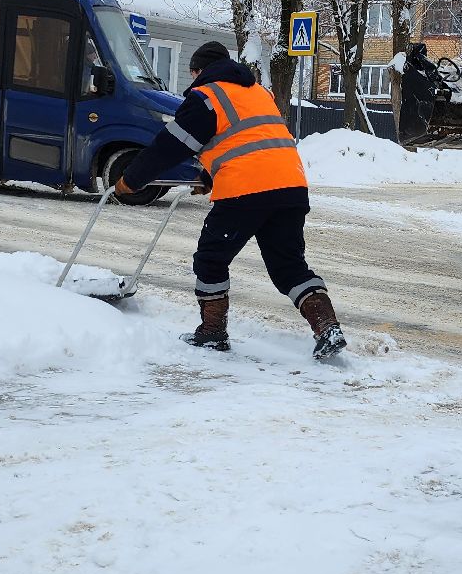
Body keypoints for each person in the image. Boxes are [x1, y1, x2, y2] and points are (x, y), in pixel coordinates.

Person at [115, 41, 347, 360]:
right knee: (289, 266)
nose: (192, 78)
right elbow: (247, 140)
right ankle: (328, 328)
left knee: (211, 259)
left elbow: (170, 146)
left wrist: (131, 180)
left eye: (192, 72)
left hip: (246, 190)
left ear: (200, 71)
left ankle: (212, 332)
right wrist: (209, 177)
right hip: (290, 186)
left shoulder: (207, 97)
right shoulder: (258, 92)